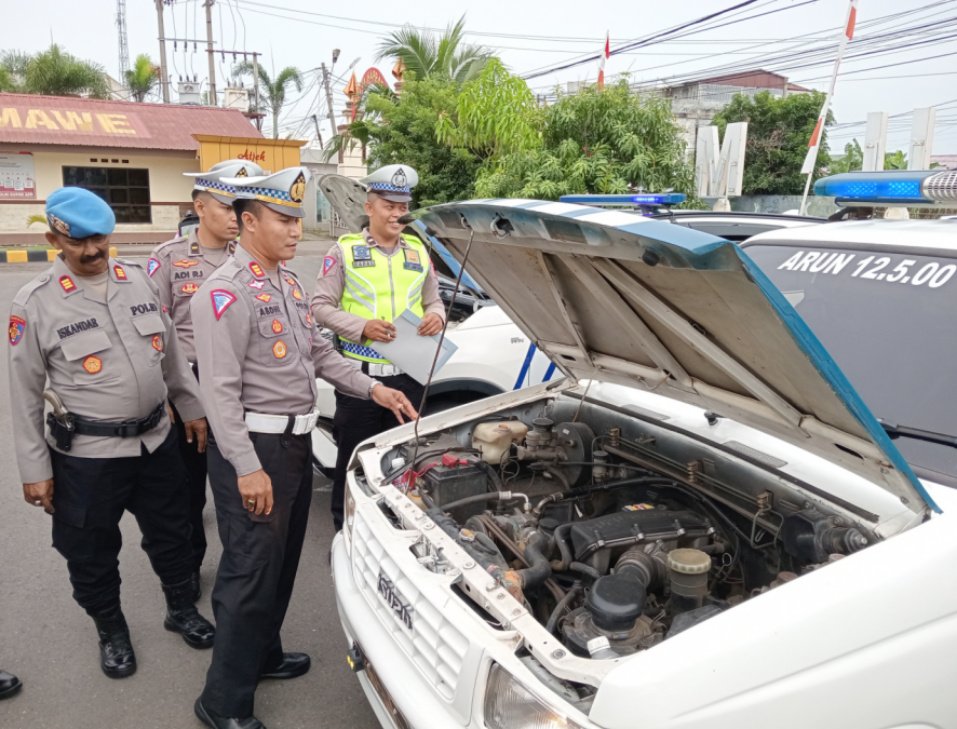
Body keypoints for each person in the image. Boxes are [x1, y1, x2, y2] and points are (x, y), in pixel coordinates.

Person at [190, 166, 417, 729]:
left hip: (291, 447)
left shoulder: (287, 284)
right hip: (255, 449)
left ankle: (263, 655)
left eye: (298, 220)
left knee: (281, 562)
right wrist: (245, 468)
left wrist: (375, 387)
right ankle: (222, 701)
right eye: (285, 220)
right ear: (247, 222)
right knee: (247, 572)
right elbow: (217, 395)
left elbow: (321, 356)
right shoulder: (224, 293)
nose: (296, 231)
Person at [7, 187, 216, 680]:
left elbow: (169, 358)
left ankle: (180, 607)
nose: (92, 250)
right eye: (77, 241)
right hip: (87, 455)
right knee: (91, 551)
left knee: (174, 534)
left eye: (100, 238)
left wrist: (191, 408)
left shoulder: (136, 281)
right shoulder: (34, 303)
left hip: (155, 441)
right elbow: (23, 394)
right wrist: (35, 470)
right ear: (53, 236)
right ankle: (111, 629)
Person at [148, 158, 266, 600]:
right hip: (190, 385)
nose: (237, 216)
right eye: (227, 206)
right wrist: (174, 398)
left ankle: (244, 573)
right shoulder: (170, 260)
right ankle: (187, 571)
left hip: (245, 385)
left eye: (243, 206)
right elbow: (153, 336)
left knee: (243, 483)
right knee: (188, 492)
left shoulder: (252, 259)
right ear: (200, 206)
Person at [311, 163, 446, 531]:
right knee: (354, 462)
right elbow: (319, 307)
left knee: (402, 461)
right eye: (389, 205)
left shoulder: (419, 251)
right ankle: (347, 531)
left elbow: (435, 301)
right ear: (369, 207)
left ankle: (395, 529)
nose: (398, 214)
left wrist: (437, 316)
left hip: (410, 376)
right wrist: (362, 327)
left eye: (403, 207)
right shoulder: (344, 251)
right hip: (360, 381)